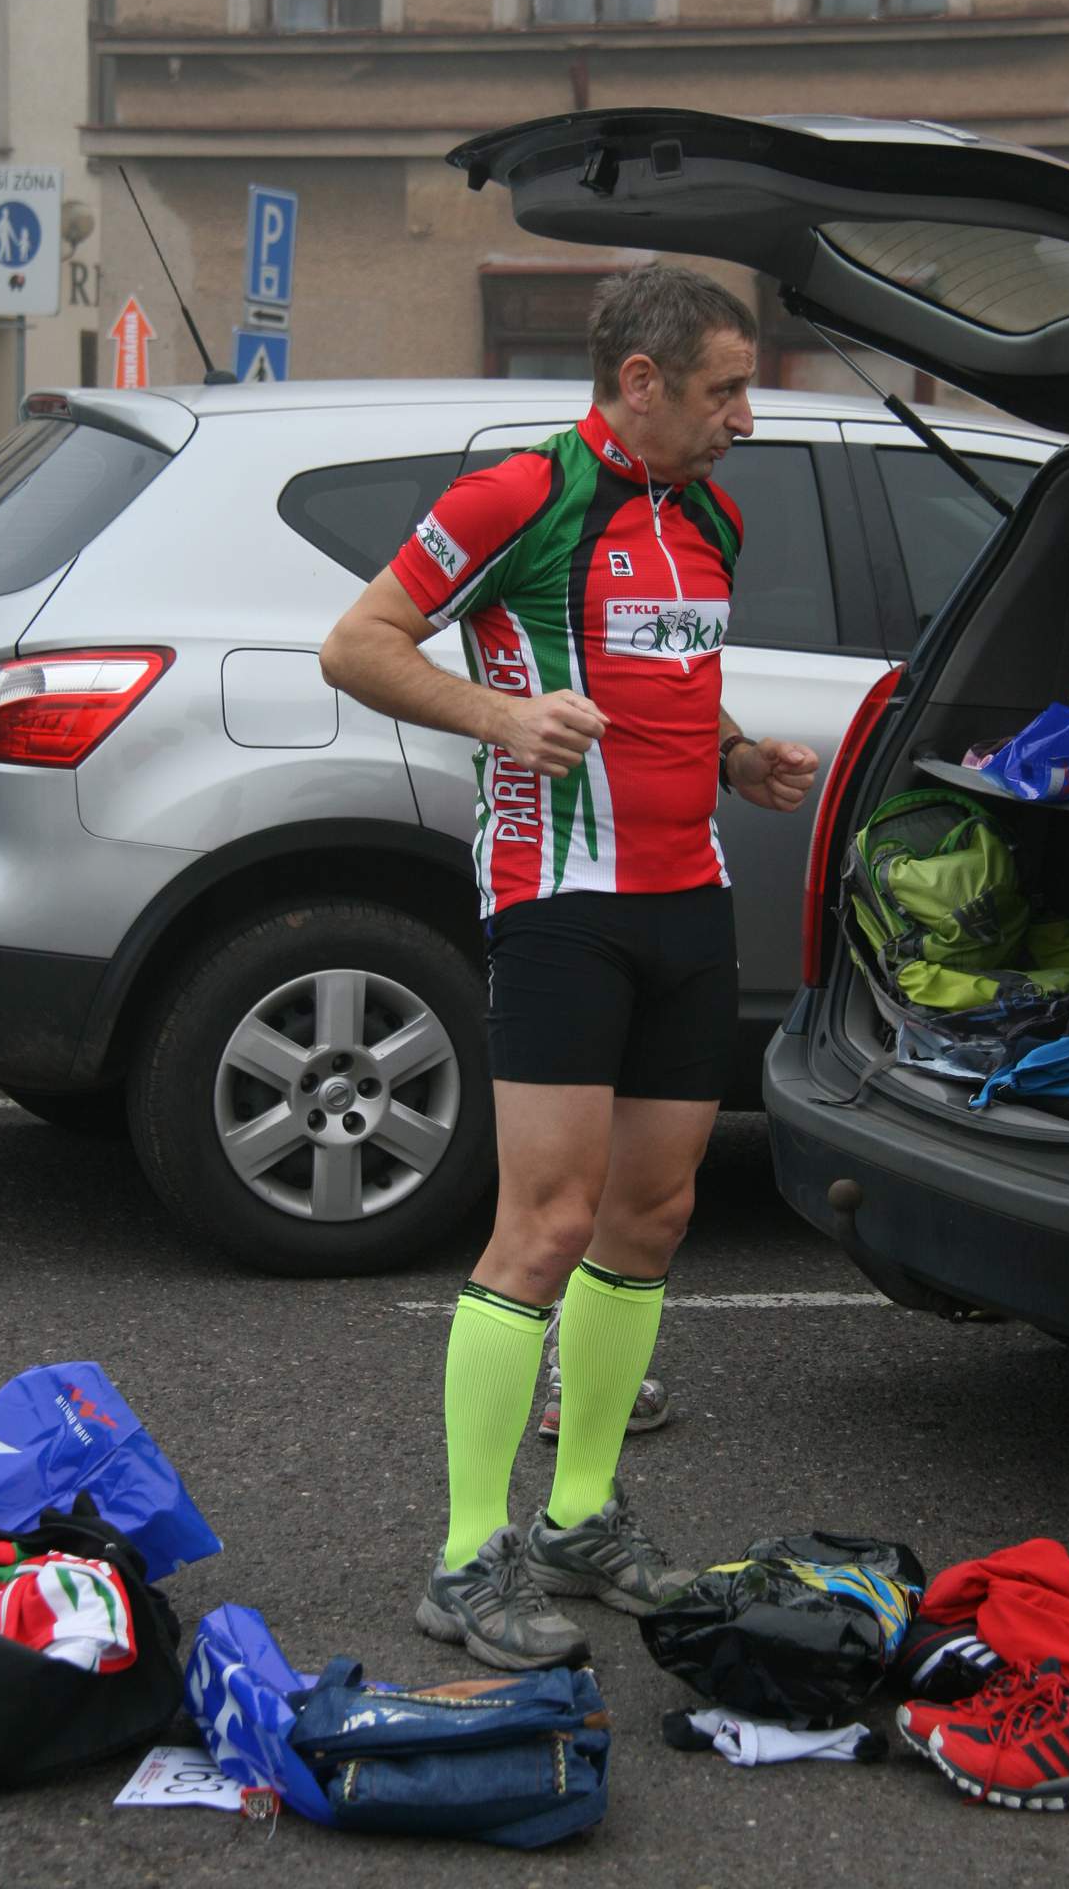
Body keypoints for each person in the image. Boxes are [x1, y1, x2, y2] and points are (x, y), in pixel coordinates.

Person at [319, 265, 819, 1671]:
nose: (745, 416)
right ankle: (465, 1558)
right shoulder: (523, 495)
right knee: (542, 1226)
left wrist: (737, 756)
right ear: (640, 382)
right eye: (725, 389)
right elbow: (356, 645)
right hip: (558, 904)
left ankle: (580, 1519)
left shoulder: (709, 513)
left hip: (688, 901)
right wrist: (500, 717)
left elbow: (675, 684)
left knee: (651, 1218)